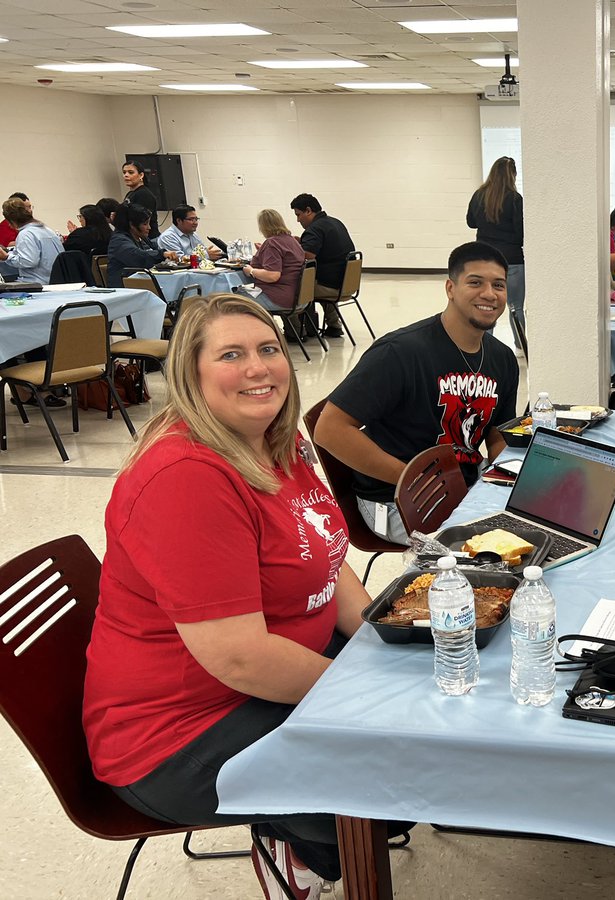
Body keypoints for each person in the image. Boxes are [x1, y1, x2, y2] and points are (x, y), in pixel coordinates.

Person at [82, 294, 410, 900]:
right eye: (231, 355)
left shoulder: (275, 438)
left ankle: (310, 831)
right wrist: (373, 694)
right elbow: (240, 659)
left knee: (419, 728)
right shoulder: (186, 478)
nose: (258, 368)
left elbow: (326, 551)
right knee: (394, 781)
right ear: (191, 373)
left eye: (268, 349)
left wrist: (377, 637)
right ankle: (299, 847)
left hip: (265, 679)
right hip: (180, 735)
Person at [314, 242, 519, 544]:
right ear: (450, 288)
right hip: (393, 499)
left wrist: (504, 481)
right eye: (475, 282)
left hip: (465, 485)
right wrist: (418, 482)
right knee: (493, 548)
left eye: (498, 285)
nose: (489, 294)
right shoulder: (400, 352)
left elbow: (497, 435)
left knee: (539, 521)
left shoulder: (502, 358)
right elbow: (329, 430)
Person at [467, 157, 525, 336]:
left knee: (487, 304)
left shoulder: (479, 195)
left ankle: (487, 343)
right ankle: (520, 345)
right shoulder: (515, 199)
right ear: (512, 175)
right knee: (516, 307)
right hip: (512, 259)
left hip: (484, 258)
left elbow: (471, 222)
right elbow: (521, 232)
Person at [290, 193, 355, 338]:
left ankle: (295, 332)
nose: (298, 220)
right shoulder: (335, 222)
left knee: (293, 289)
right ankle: (334, 325)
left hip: (330, 286)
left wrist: (289, 248)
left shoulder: (315, 228)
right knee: (320, 279)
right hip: (345, 283)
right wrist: (302, 241)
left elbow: (307, 255)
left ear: (308, 210)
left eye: (298, 215)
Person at [244, 208, 305, 311]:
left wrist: (251, 271)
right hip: (299, 298)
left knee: (232, 299)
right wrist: (264, 252)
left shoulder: (272, 243)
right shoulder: (292, 240)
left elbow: (273, 275)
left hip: (280, 298)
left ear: (263, 226)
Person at [106, 203, 178, 287]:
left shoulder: (140, 238)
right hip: (125, 288)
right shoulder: (118, 240)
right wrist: (161, 254)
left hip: (140, 283)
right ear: (132, 225)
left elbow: (154, 249)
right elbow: (138, 257)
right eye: (145, 224)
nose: (149, 227)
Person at [0, 197, 64, 284]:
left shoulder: (25, 234)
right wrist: (10, 253)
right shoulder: (47, 230)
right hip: (54, 279)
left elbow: (28, 261)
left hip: (37, 282)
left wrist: (6, 257)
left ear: (11, 220)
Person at [157, 204, 223, 260]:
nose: (195, 223)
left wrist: (213, 255)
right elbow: (179, 260)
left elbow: (203, 251)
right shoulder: (168, 237)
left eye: (196, 219)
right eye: (191, 219)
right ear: (179, 221)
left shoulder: (193, 234)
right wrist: (205, 255)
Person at [122, 161, 159, 238]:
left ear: (141, 175)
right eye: (124, 172)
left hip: (148, 239)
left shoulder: (144, 194)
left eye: (130, 172)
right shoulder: (130, 194)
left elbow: (141, 221)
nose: (126, 175)